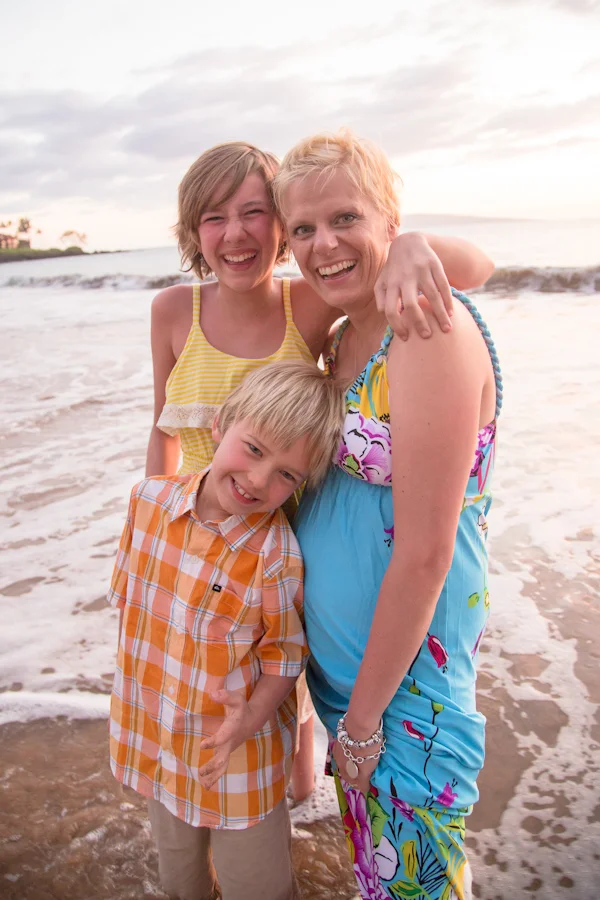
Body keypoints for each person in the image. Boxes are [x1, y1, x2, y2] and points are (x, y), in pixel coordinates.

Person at [145, 140, 495, 803]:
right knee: (206, 721)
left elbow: (477, 267)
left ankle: (292, 814)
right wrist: (157, 523)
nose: (235, 232)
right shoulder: (186, 314)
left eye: (254, 212)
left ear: (273, 230)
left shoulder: (312, 306)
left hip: (287, 564)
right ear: (193, 230)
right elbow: (161, 426)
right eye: (214, 217)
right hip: (206, 548)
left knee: (285, 739)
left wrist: (414, 245)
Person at [273, 131, 502, 899]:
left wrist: (364, 721)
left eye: (346, 218)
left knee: (421, 885)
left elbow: (427, 553)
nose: (323, 244)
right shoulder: (341, 336)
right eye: (303, 229)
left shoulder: (427, 326)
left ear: (390, 221)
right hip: (350, 683)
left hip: (401, 694)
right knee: (383, 881)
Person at [108, 361, 344, 900]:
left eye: (287, 475)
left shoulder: (276, 555)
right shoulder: (147, 503)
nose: (259, 480)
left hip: (239, 759)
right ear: (220, 424)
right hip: (159, 735)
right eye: (254, 449)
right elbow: (130, 607)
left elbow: (285, 658)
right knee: (180, 878)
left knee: (256, 885)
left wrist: (249, 720)